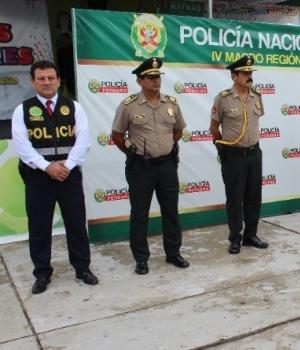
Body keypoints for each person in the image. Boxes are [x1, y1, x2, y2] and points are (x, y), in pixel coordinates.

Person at [11, 60, 98, 294]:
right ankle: (42, 273)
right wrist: (47, 167)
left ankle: (82, 268)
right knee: (39, 227)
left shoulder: (74, 107)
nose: (47, 82)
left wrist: (66, 166)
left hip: (68, 176)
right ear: (33, 81)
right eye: (41, 78)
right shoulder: (23, 110)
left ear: (59, 80)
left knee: (76, 224)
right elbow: (22, 146)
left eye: (51, 78)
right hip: (38, 178)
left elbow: (83, 141)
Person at [111, 57, 189, 274]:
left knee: (171, 211)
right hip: (140, 168)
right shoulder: (128, 106)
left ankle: (173, 253)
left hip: (167, 166)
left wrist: (166, 146)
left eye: (158, 77)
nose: (156, 81)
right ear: (140, 80)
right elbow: (117, 135)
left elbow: (178, 130)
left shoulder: (171, 103)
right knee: (139, 213)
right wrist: (132, 151)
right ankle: (141, 258)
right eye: (151, 77)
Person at [209, 55, 269, 255]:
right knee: (235, 198)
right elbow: (214, 128)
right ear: (234, 76)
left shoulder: (256, 95)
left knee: (254, 196)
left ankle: (251, 235)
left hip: (254, 153)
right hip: (233, 155)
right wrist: (222, 148)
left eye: (250, 73)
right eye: (244, 73)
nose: (249, 76)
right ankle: (235, 238)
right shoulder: (223, 98)